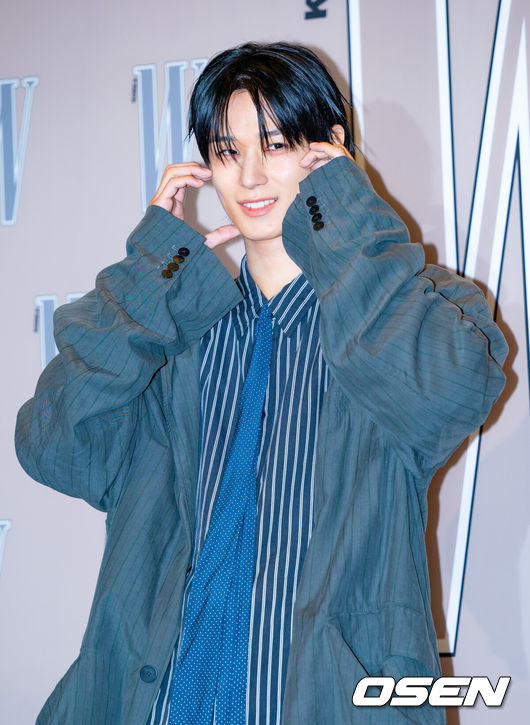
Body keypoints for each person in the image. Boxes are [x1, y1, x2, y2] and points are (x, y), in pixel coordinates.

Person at [15, 42, 507, 725]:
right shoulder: (174, 335)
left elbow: (446, 393)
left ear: (329, 149)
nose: (249, 174)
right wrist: (149, 272)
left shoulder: (413, 313)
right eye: (227, 151)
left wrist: (344, 215)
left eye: (275, 144)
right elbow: (55, 446)